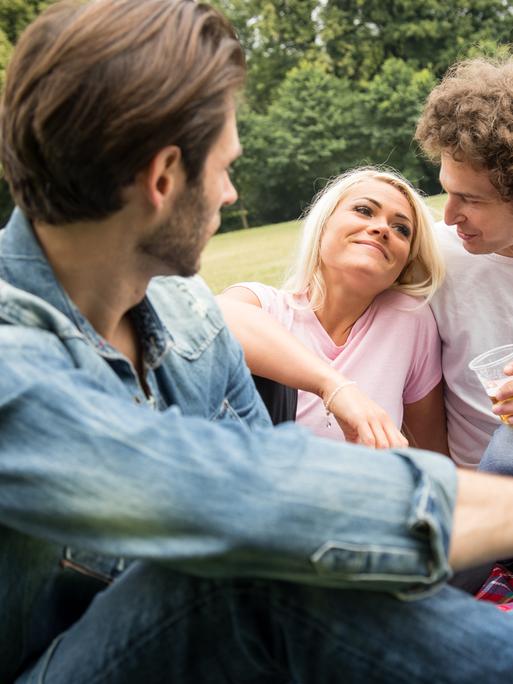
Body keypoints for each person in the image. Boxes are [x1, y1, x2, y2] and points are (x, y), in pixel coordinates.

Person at [5, 2, 513, 682]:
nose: (230, 191)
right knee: (244, 579)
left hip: (206, 636)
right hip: (52, 663)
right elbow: (230, 494)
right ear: (162, 179)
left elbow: (273, 457)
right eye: (226, 166)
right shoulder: (12, 350)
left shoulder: (186, 314)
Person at [220, 167, 448, 453]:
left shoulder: (409, 319)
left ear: (404, 264)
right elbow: (215, 317)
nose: (381, 229)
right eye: (364, 210)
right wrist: (336, 388)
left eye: (401, 229)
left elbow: (432, 453)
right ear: (324, 224)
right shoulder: (266, 306)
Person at [415, 56, 513, 468]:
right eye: (447, 191)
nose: (449, 216)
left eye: (471, 200)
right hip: (474, 487)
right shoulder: (433, 254)